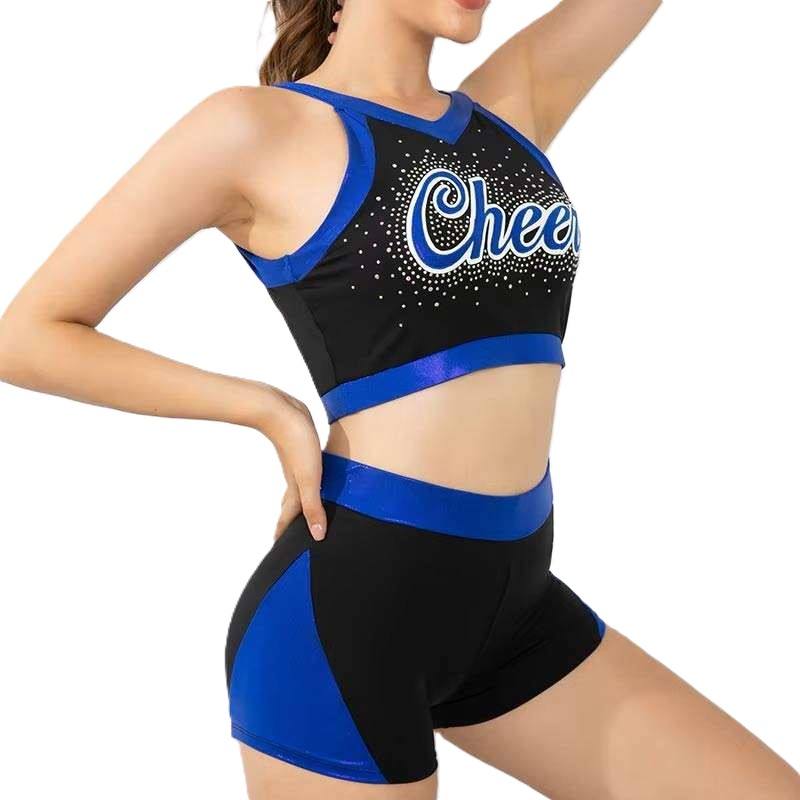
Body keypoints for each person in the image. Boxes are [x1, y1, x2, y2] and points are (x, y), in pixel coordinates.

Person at [1, 1, 798, 798]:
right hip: (345, 626)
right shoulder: (252, 129)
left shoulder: (511, 104)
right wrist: (266, 408)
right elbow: (29, 335)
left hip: (516, 610)